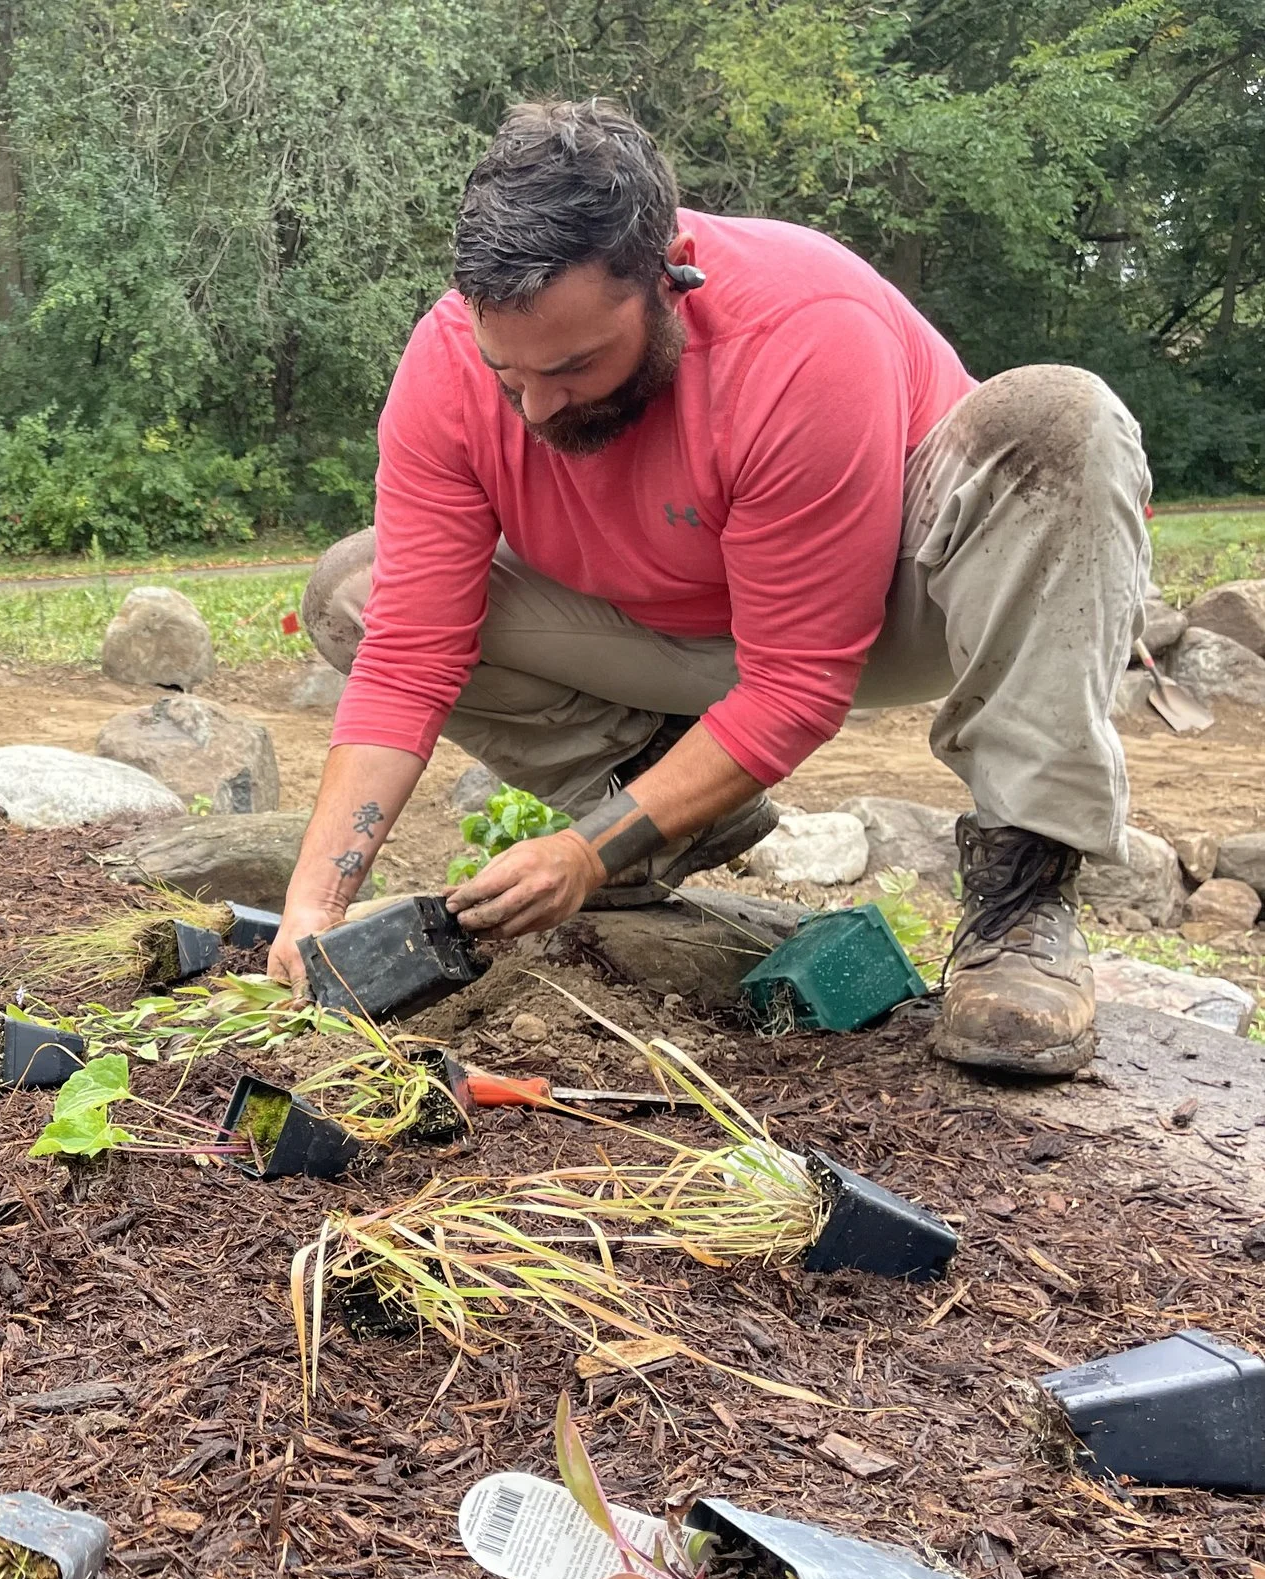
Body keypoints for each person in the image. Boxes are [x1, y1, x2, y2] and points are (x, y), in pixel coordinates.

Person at [265, 98, 1151, 1077]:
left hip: (901, 605)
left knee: (1058, 418)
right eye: (505, 370)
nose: (537, 406)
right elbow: (406, 652)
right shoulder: (451, 365)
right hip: (671, 633)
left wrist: (586, 853)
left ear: (669, 271)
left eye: (572, 366)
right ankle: (680, 805)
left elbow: (797, 685)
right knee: (355, 588)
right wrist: (315, 904)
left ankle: (1022, 904)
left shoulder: (803, 332)